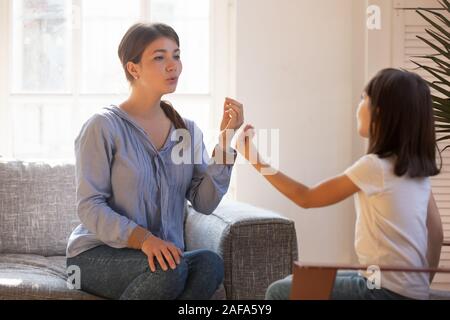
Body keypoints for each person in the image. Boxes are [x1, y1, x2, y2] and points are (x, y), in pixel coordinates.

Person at [66, 22, 244, 300]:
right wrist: (145, 240)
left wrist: (225, 142)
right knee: (168, 271)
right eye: (159, 57)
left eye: (176, 55)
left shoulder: (185, 130)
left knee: (210, 264)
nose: (173, 65)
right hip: (94, 256)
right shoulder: (103, 126)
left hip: (164, 260)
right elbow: (89, 207)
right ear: (133, 68)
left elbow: (204, 203)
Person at [236, 68, 444, 300]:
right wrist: (419, 288)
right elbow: (435, 232)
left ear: (381, 112)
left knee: (280, 292)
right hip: (392, 285)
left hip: (382, 290)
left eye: (363, 99)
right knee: (293, 282)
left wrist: (253, 158)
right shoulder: (417, 171)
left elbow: (306, 197)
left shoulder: (374, 167)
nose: (358, 106)